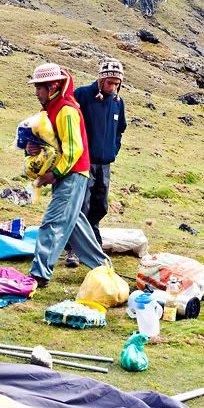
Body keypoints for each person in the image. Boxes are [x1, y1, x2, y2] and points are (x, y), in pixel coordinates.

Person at [26, 62, 108, 288]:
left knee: (52, 222)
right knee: (75, 224)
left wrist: (54, 174)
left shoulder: (66, 110)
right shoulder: (51, 110)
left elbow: (74, 149)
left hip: (71, 173)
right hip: (68, 173)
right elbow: (53, 143)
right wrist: (33, 150)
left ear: (52, 87)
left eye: (39, 88)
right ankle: (103, 268)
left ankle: (39, 274)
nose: (36, 93)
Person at [63, 58, 127, 267]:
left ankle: (91, 241)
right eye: (110, 83)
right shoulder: (83, 95)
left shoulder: (118, 102)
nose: (113, 87)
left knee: (100, 205)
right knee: (82, 203)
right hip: (83, 161)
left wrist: (113, 150)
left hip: (105, 163)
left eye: (117, 84)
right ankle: (73, 249)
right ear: (100, 80)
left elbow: (120, 130)